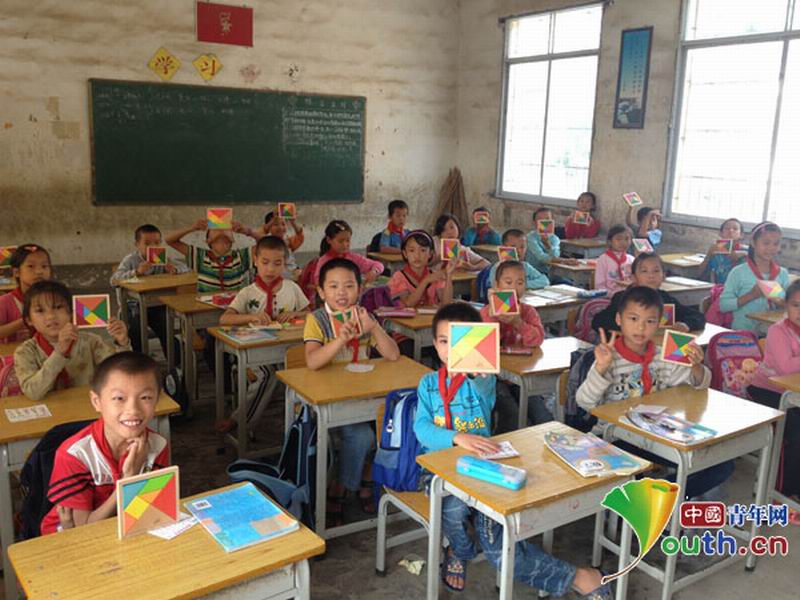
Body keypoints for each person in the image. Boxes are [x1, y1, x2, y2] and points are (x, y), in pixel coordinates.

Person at [415, 302, 611, 598]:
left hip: (482, 469)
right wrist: (457, 438)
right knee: (454, 509)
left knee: (498, 541)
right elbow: (422, 429)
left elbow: (483, 389)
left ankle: (579, 577)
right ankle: (460, 549)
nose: (453, 350)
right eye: (445, 341)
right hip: (438, 471)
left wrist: (475, 367)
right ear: (434, 344)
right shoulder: (428, 384)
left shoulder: (482, 379)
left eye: (462, 342)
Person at [577, 286, 732, 499]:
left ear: (659, 323)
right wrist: (601, 368)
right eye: (633, 318)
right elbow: (584, 401)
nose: (641, 327)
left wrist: (696, 365)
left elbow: (698, 385)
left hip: (657, 436)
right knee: (631, 476)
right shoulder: (608, 358)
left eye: (650, 321)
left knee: (722, 464)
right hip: (616, 437)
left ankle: (657, 496)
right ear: (619, 319)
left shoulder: (663, 355)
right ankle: (650, 499)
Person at [304, 258, 400, 522]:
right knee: (361, 437)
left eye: (349, 286)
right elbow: (312, 361)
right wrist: (340, 340)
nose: (342, 293)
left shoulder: (364, 317)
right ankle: (342, 487)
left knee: (394, 426)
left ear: (360, 289)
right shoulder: (317, 319)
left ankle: (366, 477)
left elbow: (393, 355)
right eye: (333, 286)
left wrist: (374, 327)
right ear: (321, 291)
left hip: (365, 396)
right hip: (331, 399)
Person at [40, 352, 170, 534]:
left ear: (157, 400)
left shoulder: (158, 446)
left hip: (122, 530)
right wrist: (128, 481)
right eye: (119, 398)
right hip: (64, 539)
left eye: (145, 397)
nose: (133, 409)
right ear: (97, 402)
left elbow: (146, 513)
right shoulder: (75, 455)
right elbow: (85, 530)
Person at [217, 236, 310, 433]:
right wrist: (251, 316)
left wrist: (296, 314)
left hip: (287, 349)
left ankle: (302, 425)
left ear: (285, 263)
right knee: (267, 375)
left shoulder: (292, 288)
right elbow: (225, 319)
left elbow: (310, 313)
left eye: (277, 263)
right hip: (255, 352)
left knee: (303, 369)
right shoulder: (248, 292)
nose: (270, 269)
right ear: (255, 261)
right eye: (265, 262)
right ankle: (240, 421)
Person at [14, 281, 130, 400]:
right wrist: (59, 352)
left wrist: (122, 343)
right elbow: (33, 392)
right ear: (29, 320)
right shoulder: (25, 351)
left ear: (71, 313)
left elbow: (119, 377)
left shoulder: (90, 341)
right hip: (50, 410)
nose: (50, 316)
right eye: (40, 311)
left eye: (58, 307)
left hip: (87, 406)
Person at [748, 279, 800, 501]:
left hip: (793, 393)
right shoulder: (778, 331)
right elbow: (786, 368)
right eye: (796, 305)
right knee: (795, 429)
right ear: (785, 305)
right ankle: (784, 490)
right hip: (766, 391)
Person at [481, 261, 547, 432]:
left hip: (522, 376)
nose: (514, 288)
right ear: (497, 286)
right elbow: (485, 346)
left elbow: (537, 339)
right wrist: (493, 316)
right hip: (494, 377)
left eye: (520, 282)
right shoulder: (486, 312)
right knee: (512, 415)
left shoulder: (528, 311)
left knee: (542, 416)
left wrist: (518, 322)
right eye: (508, 282)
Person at [110, 224, 189, 353]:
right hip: (133, 306)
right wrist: (136, 272)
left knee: (167, 327)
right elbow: (114, 280)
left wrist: (174, 269)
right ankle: (139, 360)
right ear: (137, 244)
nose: (152, 247)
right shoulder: (131, 260)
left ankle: (176, 362)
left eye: (157, 243)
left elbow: (186, 268)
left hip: (156, 305)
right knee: (135, 329)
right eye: (147, 243)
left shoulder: (162, 258)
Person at [592, 253, 705, 335]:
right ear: (633, 277)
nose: (651, 276)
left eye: (656, 271)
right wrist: (629, 325)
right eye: (644, 271)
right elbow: (598, 322)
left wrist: (686, 325)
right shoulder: (623, 298)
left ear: (663, 276)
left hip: (658, 349)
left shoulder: (665, 299)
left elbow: (698, 316)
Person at [720, 221, 789, 331]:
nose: (771, 248)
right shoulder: (738, 272)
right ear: (753, 243)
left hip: (772, 334)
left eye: (776, 244)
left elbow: (790, 306)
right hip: (743, 334)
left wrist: (781, 301)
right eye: (766, 243)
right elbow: (723, 306)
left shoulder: (782, 273)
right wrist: (751, 295)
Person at [165, 217, 260, 293]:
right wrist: (193, 228)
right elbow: (169, 240)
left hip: (234, 307)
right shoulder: (200, 256)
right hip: (206, 307)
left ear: (232, 240)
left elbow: (265, 243)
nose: (221, 231)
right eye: (215, 229)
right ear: (208, 241)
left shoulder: (241, 256)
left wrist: (249, 231)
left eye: (226, 229)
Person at [387, 230, 454, 308]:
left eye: (423, 250)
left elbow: (446, 304)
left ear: (430, 254)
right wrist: (425, 281)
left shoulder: (434, 275)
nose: (417, 255)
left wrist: (449, 274)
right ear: (405, 254)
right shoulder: (399, 277)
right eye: (412, 250)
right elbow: (408, 303)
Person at [0, 244, 51, 344]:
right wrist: (26, 320)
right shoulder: (4, 302)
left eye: (44, 266)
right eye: (31, 266)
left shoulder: (56, 299)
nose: (39, 271)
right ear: (16, 272)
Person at [313, 220, 384, 287]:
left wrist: (374, 272)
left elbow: (379, 265)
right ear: (329, 240)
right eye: (340, 241)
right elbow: (318, 281)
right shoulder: (324, 261)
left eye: (348, 240)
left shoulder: (354, 258)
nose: (345, 244)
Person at [526, 207, 577, 280]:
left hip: (551, 273)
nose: (544, 222)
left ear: (552, 221)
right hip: (533, 273)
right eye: (540, 219)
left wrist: (547, 244)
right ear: (534, 222)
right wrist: (564, 260)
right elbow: (541, 257)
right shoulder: (530, 237)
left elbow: (555, 255)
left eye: (547, 219)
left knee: (569, 283)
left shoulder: (555, 238)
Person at [698, 218, 746, 284]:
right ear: (720, 233)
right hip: (720, 287)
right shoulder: (716, 250)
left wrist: (745, 254)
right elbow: (700, 273)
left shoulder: (747, 250)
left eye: (735, 229)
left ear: (741, 235)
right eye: (727, 228)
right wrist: (709, 254)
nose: (731, 231)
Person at [260, 208, 304, 276]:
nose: (280, 228)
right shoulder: (264, 242)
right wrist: (273, 220)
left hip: (292, 274)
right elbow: (261, 232)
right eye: (276, 224)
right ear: (269, 227)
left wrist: (293, 222)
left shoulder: (288, 242)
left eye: (283, 224)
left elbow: (299, 236)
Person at [593, 225, 633, 296]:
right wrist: (612, 294)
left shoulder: (632, 259)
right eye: (618, 239)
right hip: (609, 297)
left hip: (629, 296)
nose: (623, 242)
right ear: (610, 242)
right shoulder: (603, 259)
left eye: (627, 239)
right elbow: (599, 286)